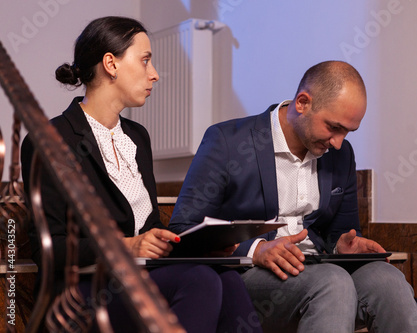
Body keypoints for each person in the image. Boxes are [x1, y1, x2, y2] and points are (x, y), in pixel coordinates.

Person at [21, 16, 261, 333]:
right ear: (111, 64)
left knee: (226, 277)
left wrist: (200, 247)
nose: (155, 74)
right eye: (145, 61)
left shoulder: (137, 136)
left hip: (140, 277)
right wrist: (128, 246)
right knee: (198, 279)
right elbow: (50, 248)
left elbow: (148, 231)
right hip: (82, 290)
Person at [169, 61, 417, 332]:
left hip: (320, 265)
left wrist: (343, 246)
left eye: (348, 132)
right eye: (333, 127)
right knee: (331, 282)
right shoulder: (227, 141)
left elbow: (337, 232)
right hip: (249, 276)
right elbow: (182, 230)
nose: (338, 143)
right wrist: (255, 250)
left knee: (389, 281)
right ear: (302, 103)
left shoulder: (341, 155)